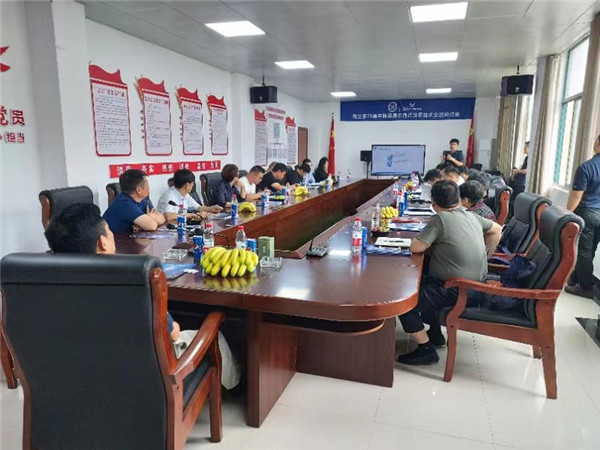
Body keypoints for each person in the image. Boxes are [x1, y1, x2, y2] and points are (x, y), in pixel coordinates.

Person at [45, 203, 240, 389]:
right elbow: (173, 333)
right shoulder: (134, 280)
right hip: (148, 381)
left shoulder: (46, 286)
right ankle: (237, 386)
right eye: (109, 231)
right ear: (102, 243)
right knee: (214, 332)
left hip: (84, 379)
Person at [397, 181, 502, 365]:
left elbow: (416, 247)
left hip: (459, 290)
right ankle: (435, 334)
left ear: (433, 202)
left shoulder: (441, 219)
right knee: (423, 281)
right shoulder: (472, 216)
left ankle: (425, 349)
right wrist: (485, 253)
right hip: (477, 286)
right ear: (458, 200)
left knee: (404, 300)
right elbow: (497, 229)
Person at [565, 134, 600, 299]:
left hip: (588, 213)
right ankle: (576, 277)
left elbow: (577, 196)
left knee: (584, 251)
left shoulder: (586, 167)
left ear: (597, 143)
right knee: (591, 249)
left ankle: (585, 287)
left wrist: (566, 214)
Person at [157, 169, 221, 221]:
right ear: (187, 185)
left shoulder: (184, 194)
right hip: (167, 228)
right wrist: (192, 215)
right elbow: (168, 216)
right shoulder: (169, 195)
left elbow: (198, 207)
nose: (193, 186)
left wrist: (211, 208)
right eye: (192, 183)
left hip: (180, 225)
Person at [510, 141, 529, 215]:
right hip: (518, 181)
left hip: (521, 183)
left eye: (525, 147)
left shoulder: (530, 159)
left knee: (517, 201)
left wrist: (518, 171)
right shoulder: (526, 158)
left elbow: (527, 170)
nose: (524, 148)